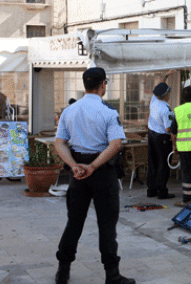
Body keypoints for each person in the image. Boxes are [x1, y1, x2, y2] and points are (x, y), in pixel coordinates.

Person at [54, 67, 135, 284]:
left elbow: (59, 142)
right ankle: (112, 275)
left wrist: (73, 166)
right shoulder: (109, 112)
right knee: (107, 225)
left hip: (78, 172)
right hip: (102, 172)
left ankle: (63, 272)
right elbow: (115, 145)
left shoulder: (69, 111)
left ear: (84, 85)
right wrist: (93, 166)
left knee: (74, 223)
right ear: (102, 85)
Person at [146, 70, 175, 199]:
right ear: (166, 95)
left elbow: (159, 86)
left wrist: (166, 75)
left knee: (152, 163)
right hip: (162, 139)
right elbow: (169, 129)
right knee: (163, 165)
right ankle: (162, 191)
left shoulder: (154, 101)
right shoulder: (166, 109)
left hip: (151, 136)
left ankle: (151, 190)